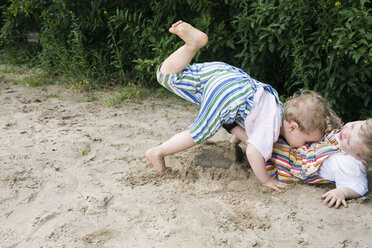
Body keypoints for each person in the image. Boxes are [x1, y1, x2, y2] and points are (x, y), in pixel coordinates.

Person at [146, 20, 335, 191]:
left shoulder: (274, 104)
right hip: (229, 94)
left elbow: (243, 124)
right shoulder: (272, 126)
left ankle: (192, 45)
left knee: (167, 77)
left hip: (229, 76)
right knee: (199, 131)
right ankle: (158, 151)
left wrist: (234, 140)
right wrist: (266, 180)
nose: (305, 146)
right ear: (293, 127)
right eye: (306, 142)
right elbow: (253, 151)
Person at [265, 118, 371, 208]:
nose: (346, 133)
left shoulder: (350, 164)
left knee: (273, 149)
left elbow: (359, 186)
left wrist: (342, 192)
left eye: (348, 141)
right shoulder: (347, 137)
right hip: (307, 150)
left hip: (298, 167)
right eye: (352, 126)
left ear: (359, 157)